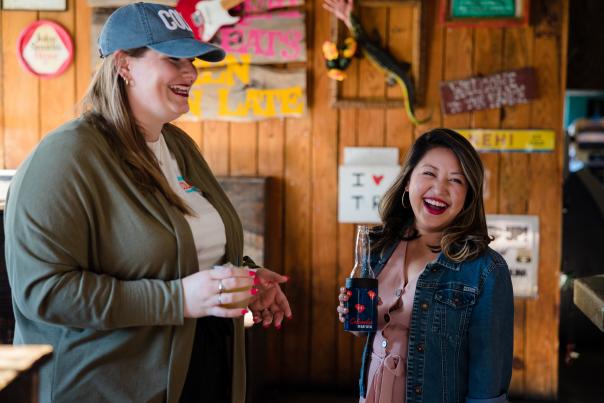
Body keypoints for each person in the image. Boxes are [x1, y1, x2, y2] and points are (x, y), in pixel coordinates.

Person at [5, 3, 291, 403]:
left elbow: (184, 255)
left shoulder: (177, 145)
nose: (191, 72)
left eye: (191, 60)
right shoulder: (66, 156)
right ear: (124, 65)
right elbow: (44, 292)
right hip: (107, 387)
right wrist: (178, 300)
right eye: (173, 59)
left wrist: (244, 278)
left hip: (198, 370)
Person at [337, 129, 514, 403]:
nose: (439, 189)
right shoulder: (379, 246)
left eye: (456, 180)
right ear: (408, 181)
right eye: (429, 173)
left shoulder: (486, 270)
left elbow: (488, 381)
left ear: (468, 196)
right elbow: (368, 329)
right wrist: (353, 315)